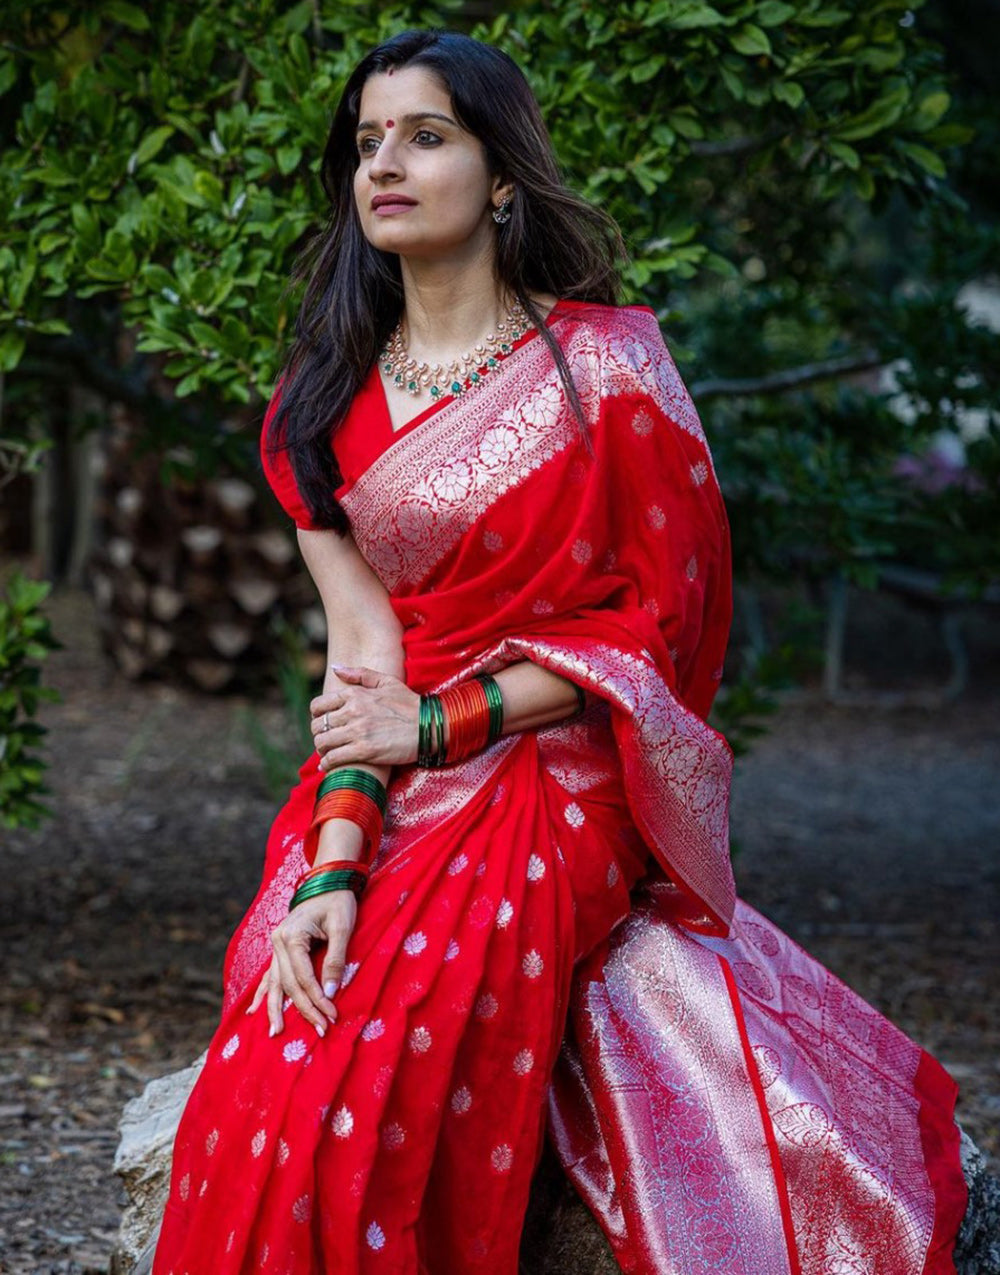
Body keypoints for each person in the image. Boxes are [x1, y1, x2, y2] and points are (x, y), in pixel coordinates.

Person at [153, 28, 967, 1275]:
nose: (387, 163)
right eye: (367, 143)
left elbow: (655, 629)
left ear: (503, 178)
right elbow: (363, 655)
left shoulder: (607, 369)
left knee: (382, 1056)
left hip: (559, 761)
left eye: (426, 136)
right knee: (275, 1057)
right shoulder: (318, 400)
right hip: (390, 772)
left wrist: (438, 727)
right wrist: (332, 863)